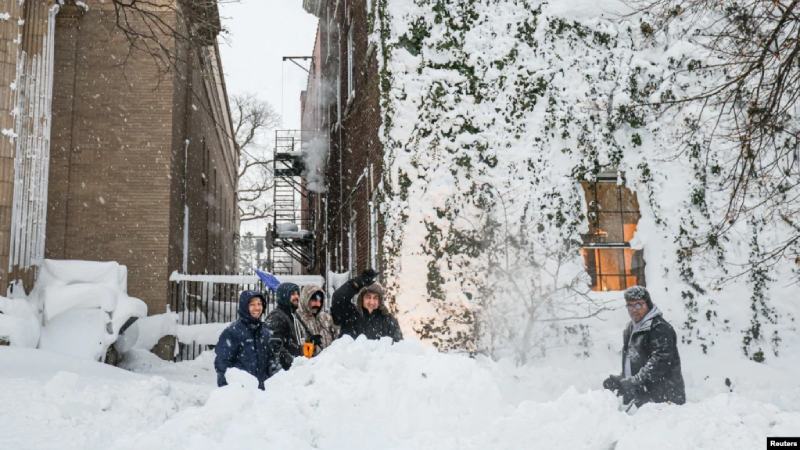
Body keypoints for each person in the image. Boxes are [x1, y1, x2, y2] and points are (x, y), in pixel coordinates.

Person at [603, 286, 686, 407]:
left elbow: (660, 362)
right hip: (644, 398)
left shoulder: (659, 328)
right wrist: (622, 380)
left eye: (638, 305)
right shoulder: (630, 328)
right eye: (630, 305)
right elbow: (634, 361)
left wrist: (633, 381)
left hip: (665, 400)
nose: (634, 310)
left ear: (648, 304)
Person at [214, 290, 276, 390]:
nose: (257, 308)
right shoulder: (232, 332)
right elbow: (222, 365)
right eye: (252, 305)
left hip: (263, 394)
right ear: (244, 307)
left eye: (259, 304)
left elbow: (271, 363)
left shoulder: (265, 332)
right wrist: (227, 391)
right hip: (242, 393)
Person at [331, 269, 403, 342]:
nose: (371, 302)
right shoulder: (350, 315)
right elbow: (338, 299)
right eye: (368, 297)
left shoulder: (388, 321)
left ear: (380, 301)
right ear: (361, 299)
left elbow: (399, 345)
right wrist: (356, 283)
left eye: (375, 298)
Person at [265, 282, 308, 370]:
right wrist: (292, 363)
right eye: (292, 294)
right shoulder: (276, 317)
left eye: (297, 294)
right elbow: (274, 346)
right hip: (285, 372)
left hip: (297, 369)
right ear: (284, 296)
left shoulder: (293, 315)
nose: (296, 297)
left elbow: (295, 342)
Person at [296, 284, 339, 356]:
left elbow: (338, 339)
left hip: (330, 360)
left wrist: (338, 323)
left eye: (320, 301)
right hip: (311, 362)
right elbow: (295, 352)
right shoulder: (297, 320)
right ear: (306, 299)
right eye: (314, 300)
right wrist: (309, 343)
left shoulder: (326, 318)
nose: (318, 304)